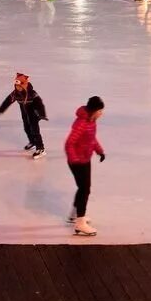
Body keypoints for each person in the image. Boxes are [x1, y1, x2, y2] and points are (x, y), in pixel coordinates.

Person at [65, 96, 106, 236]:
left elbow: (91, 139)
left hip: (85, 159)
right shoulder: (82, 123)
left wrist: (99, 151)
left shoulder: (91, 121)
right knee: (84, 189)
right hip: (78, 162)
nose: (102, 113)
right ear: (94, 110)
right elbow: (69, 143)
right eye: (100, 110)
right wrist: (75, 159)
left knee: (83, 188)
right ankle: (80, 223)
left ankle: (75, 215)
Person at [0, 73, 48, 159]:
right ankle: (32, 142)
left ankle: (41, 148)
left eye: (19, 86)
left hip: (34, 115)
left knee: (35, 131)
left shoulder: (32, 94)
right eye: (16, 86)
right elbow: (7, 102)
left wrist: (42, 114)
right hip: (25, 115)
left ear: (24, 85)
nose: (18, 88)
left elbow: (40, 104)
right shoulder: (15, 94)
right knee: (27, 128)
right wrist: (0, 111)